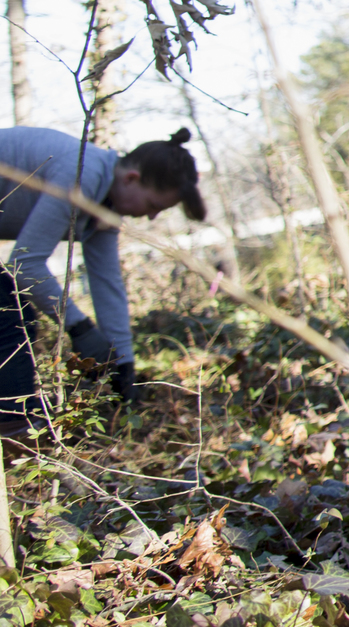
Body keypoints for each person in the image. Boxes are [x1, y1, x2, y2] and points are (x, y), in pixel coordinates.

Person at [1, 126, 205, 436]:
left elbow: (107, 285)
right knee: (10, 314)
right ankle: (13, 431)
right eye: (153, 206)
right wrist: (79, 327)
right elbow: (24, 265)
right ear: (131, 179)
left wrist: (123, 365)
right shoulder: (81, 173)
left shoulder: (102, 207)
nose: (150, 218)